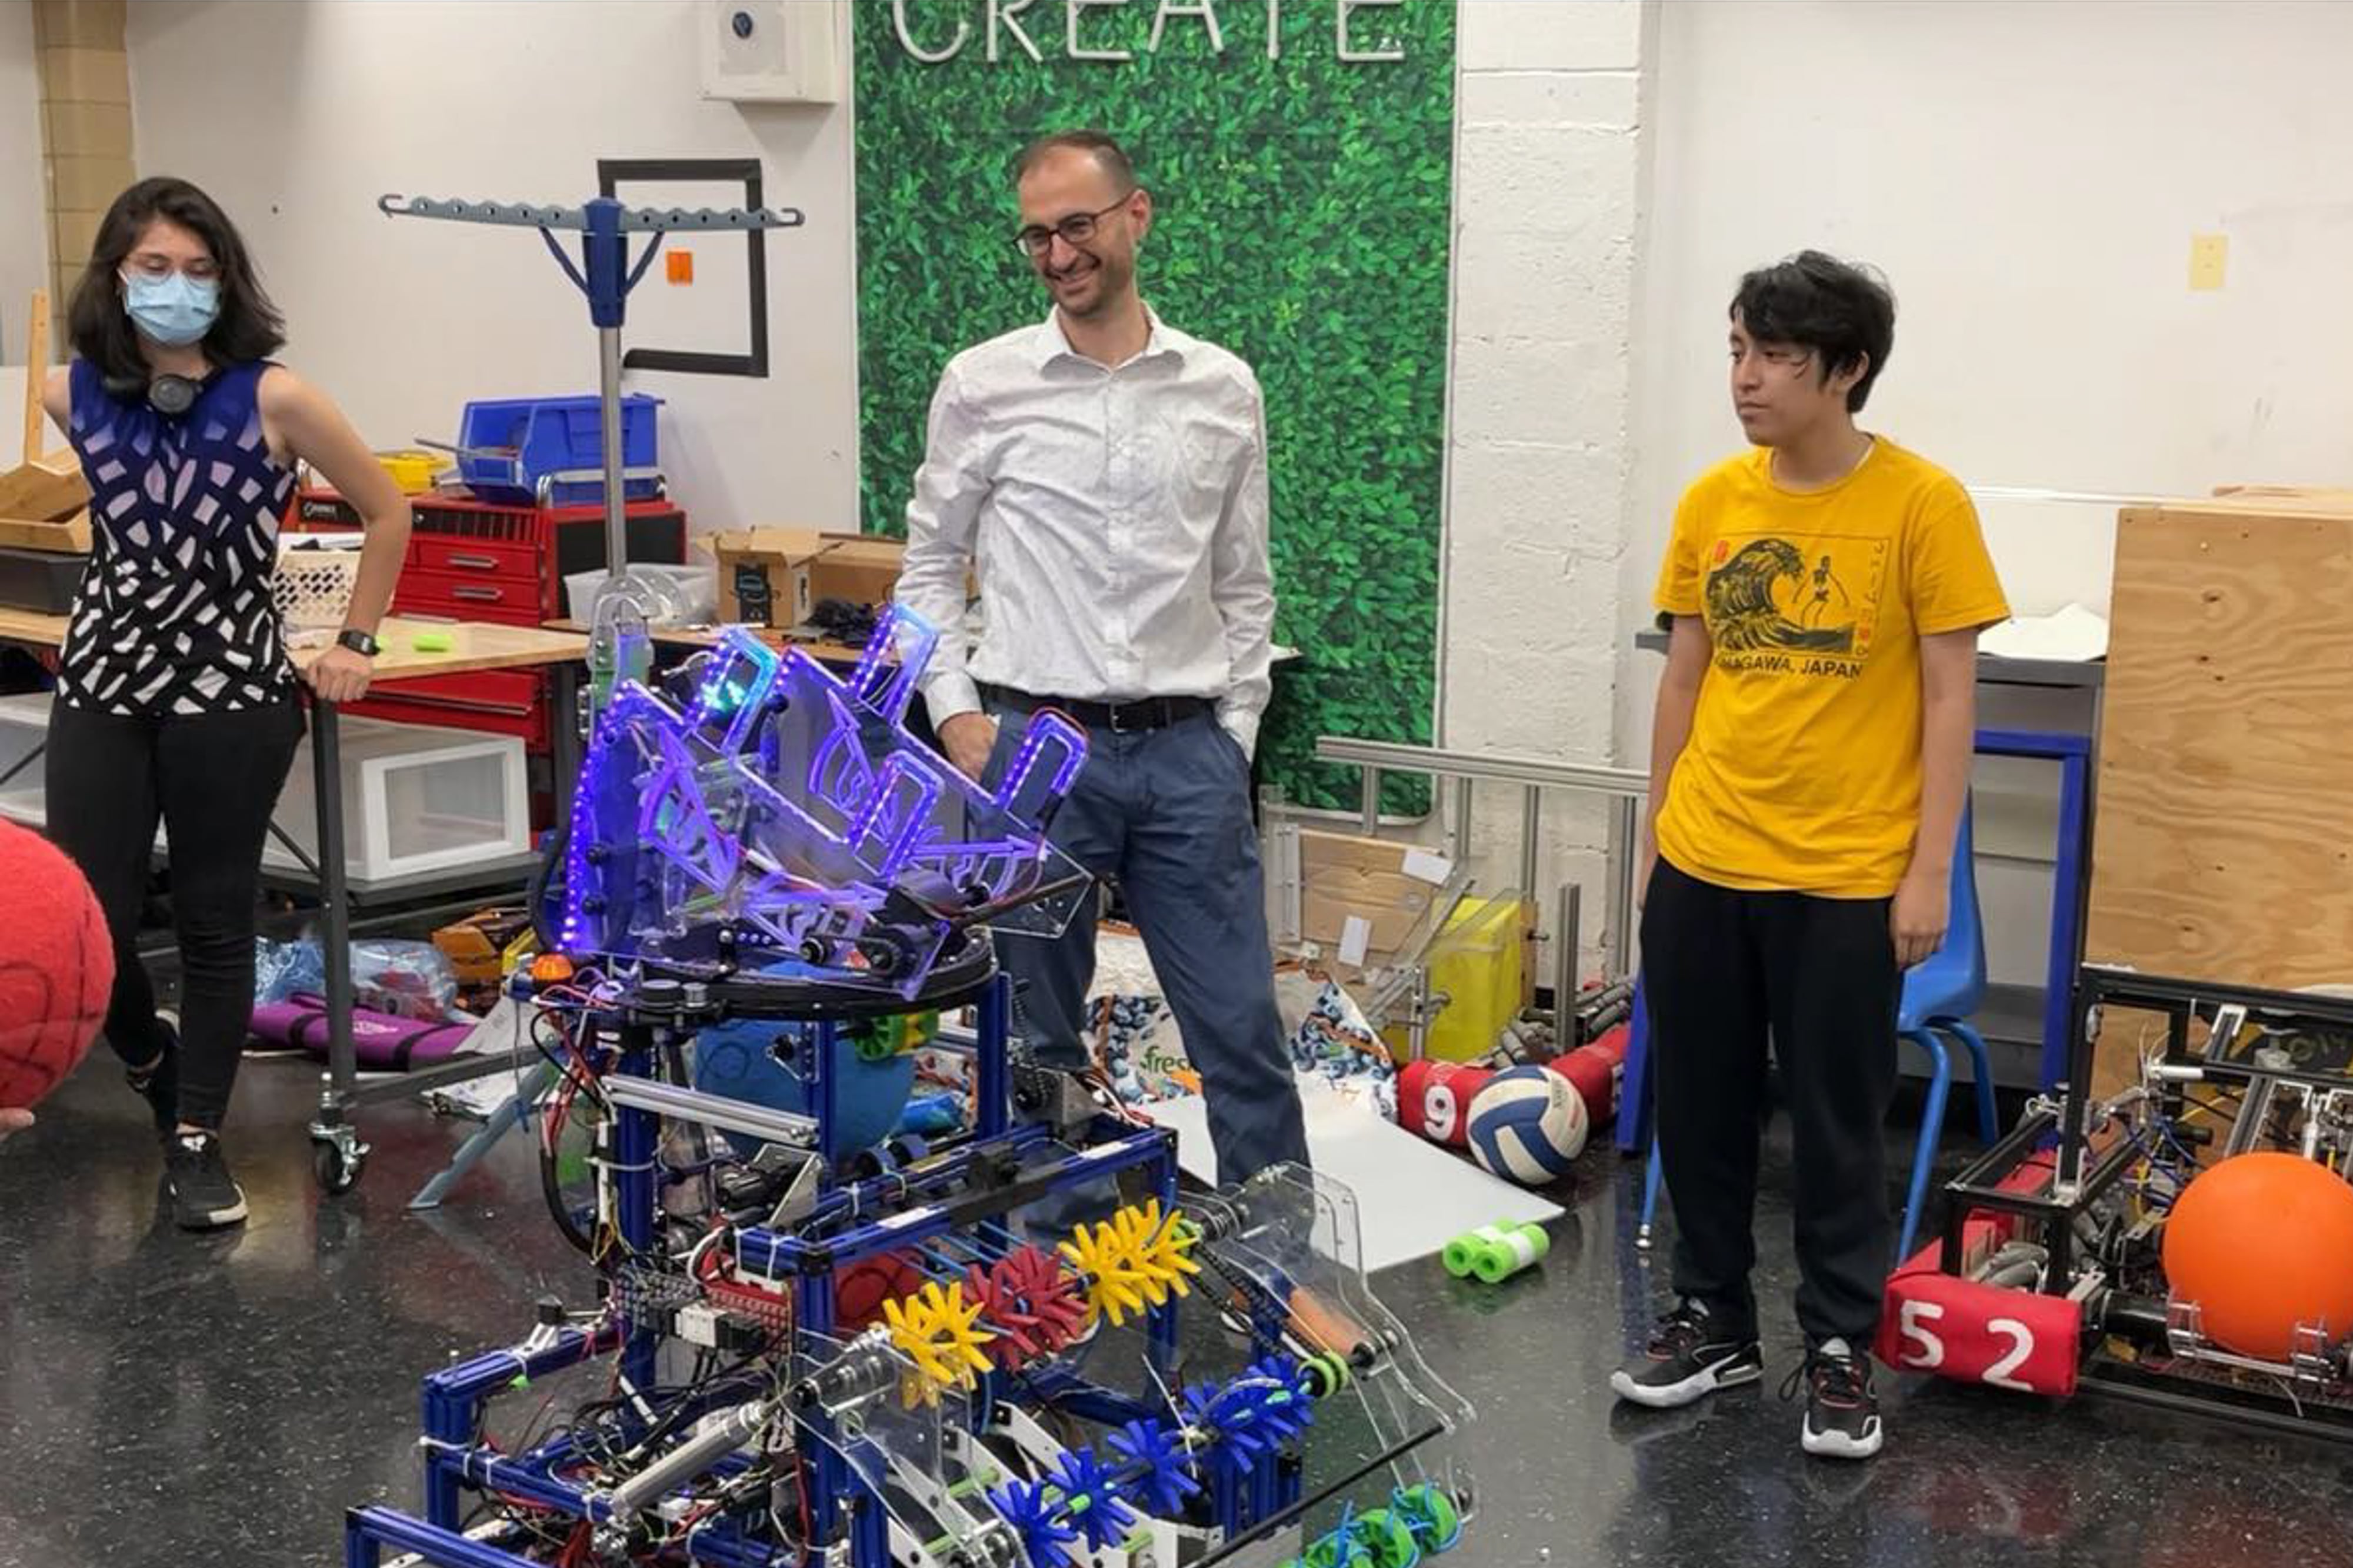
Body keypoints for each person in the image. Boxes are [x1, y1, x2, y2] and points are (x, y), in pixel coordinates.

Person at [1612, 252, 2008, 1458]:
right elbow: (1685, 672)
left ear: (1847, 371)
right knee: (1704, 1102)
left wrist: (1925, 868)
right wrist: (1654, 835)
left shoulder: (1920, 505)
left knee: (1838, 1124)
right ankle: (1712, 1319)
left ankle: (1839, 1346)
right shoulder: (1712, 502)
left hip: (1844, 874)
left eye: (1775, 356)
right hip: (1705, 856)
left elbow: (1949, 699)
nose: (1745, 378)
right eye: (1735, 349)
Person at [896, 129, 1309, 1190]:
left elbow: (1243, 581)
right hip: (1035, 751)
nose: (1056, 253)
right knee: (1033, 1047)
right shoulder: (982, 384)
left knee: (1244, 1040)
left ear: (1137, 214)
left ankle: (1293, 1282)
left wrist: (1236, 735)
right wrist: (958, 716)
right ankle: (1045, 1290)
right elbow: (930, 570)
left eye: (1076, 226)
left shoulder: (1223, 387)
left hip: (1186, 756)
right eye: (1036, 234)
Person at [40, 176, 412, 1230]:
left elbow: (390, 510)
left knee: (213, 919)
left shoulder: (274, 397)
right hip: (105, 678)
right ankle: (152, 1058)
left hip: (232, 689)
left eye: (199, 271)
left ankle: (196, 1137)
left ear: (227, 281)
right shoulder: (68, 394)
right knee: (90, 924)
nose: (176, 288)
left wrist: (355, 641)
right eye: (154, 267)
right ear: (116, 275)